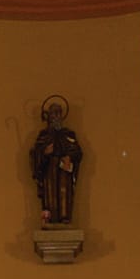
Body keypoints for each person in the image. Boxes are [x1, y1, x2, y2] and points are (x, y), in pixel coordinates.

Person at [30, 96, 82, 225]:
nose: (56, 116)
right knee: (51, 194)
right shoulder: (44, 135)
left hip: (64, 168)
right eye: (54, 113)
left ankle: (65, 217)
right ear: (48, 116)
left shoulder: (68, 134)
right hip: (50, 169)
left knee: (64, 192)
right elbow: (35, 153)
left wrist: (70, 157)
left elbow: (77, 151)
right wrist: (44, 153)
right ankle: (50, 217)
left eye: (59, 113)